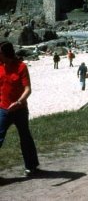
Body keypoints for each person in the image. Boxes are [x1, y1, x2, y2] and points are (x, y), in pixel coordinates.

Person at [0, 41, 39, 177]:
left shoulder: (21, 67)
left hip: (20, 109)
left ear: (6, 54)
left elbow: (28, 89)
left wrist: (18, 102)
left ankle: (32, 167)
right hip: (3, 110)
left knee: (25, 138)